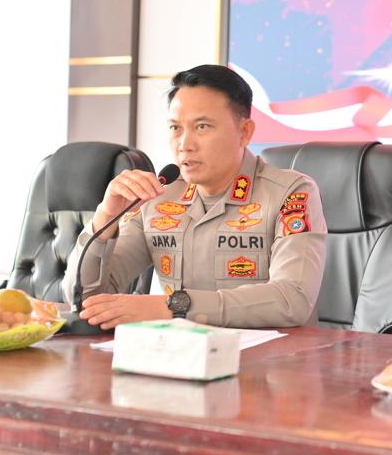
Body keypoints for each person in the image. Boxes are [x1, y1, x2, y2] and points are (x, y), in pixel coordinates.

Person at [61, 64, 327, 329]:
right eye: (175, 128)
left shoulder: (290, 193)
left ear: (245, 132)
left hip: (267, 354)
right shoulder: (159, 196)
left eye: (202, 127)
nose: (185, 144)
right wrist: (106, 217)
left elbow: (292, 299)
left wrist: (174, 306)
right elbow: (84, 300)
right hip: (178, 351)